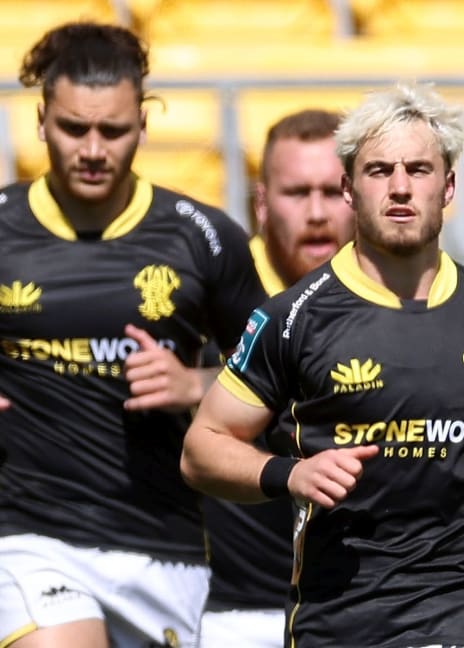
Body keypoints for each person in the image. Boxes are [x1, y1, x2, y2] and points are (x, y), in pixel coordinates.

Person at [180, 82, 464, 648]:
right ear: (349, 189)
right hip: (342, 616)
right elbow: (202, 447)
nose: (400, 187)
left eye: (418, 170)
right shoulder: (296, 318)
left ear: (449, 185)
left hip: (462, 605)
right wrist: (289, 475)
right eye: (379, 171)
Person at [0, 20, 266, 648]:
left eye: (113, 131)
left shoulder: (200, 237)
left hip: (164, 546)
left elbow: (282, 380)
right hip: (27, 535)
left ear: (143, 126)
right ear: (41, 121)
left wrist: (198, 382)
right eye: (73, 128)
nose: (93, 150)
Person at [198, 108, 355, 648]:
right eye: (296, 193)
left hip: (359, 611)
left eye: (332, 191)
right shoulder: (209, 300)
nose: (316, 213)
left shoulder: (398, 303)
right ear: (261, 203)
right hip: (227, 615)